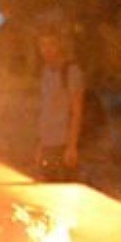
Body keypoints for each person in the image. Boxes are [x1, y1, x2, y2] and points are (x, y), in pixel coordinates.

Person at [33, 30, 86, 180]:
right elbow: (45, 110)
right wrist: (40, 145)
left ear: (60, 46)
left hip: (64, 143)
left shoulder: (71, 72)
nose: (46, 49)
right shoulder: (45, 73)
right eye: (42, 45)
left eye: (51, 44)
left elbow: (77, 111)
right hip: (48, 143)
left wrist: (72, 146)